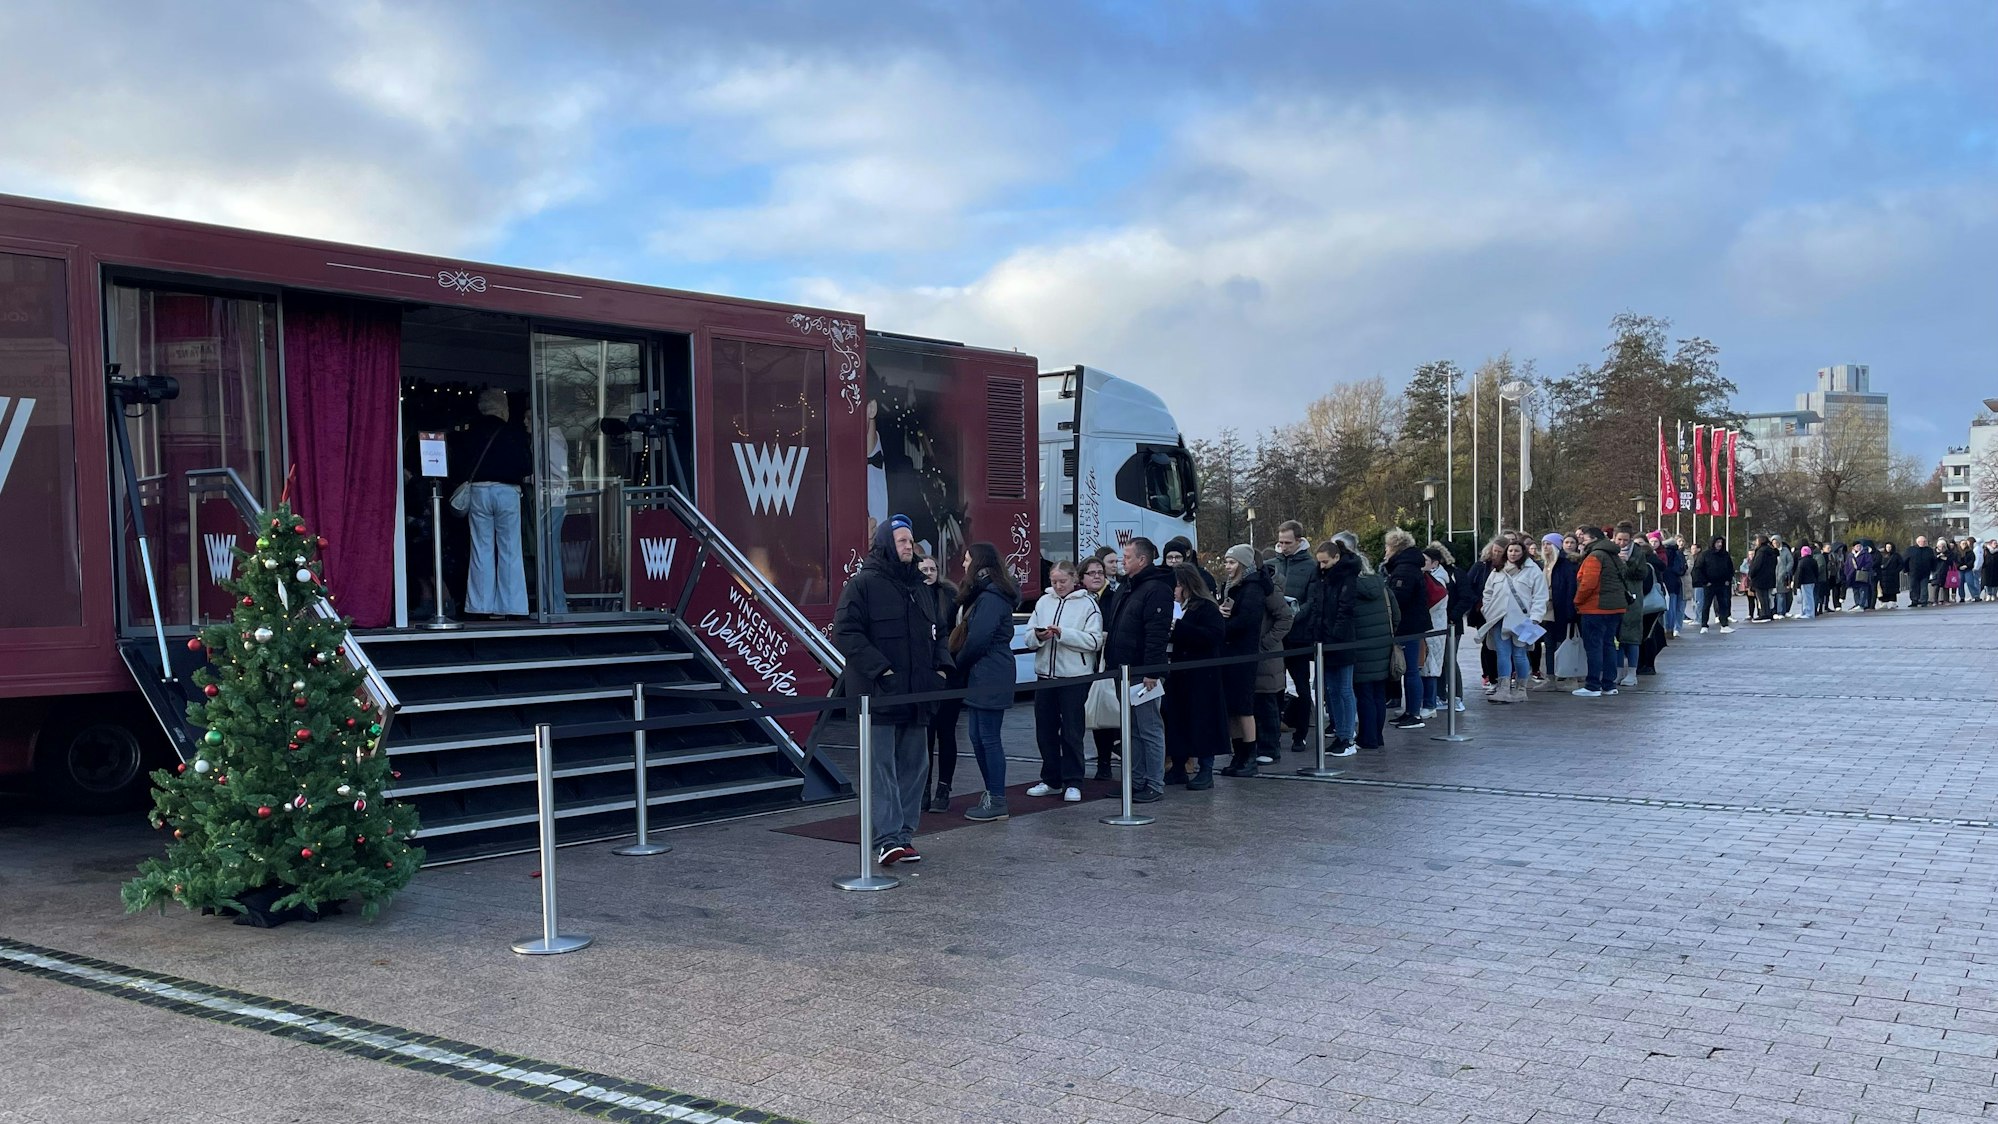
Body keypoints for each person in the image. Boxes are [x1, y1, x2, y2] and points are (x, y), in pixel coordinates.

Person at [832, 515, 950, 866]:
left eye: (910, 541)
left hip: (917, 696)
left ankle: (902, 837)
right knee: (881, 769)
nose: (908, 547)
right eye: (901, 541)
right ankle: (886, 838)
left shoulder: (921, 589)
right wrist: (881, 669)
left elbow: (939, 631)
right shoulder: (862, 585)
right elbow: (846, 632)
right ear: (885, 543)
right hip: (879, 696)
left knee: (916, 767)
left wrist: (941, 669)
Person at [951, 542, 1019, 822]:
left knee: (988, 738)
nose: (964, 565)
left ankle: (998, 799)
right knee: (978, 736)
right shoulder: (989, 593)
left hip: (990, 672)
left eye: (967, 560)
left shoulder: (991, 597)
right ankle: (992, 794)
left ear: (979, 564)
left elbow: (979, 638)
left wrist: (958, 664)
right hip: (986, 672)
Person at [1103, 537, 1174, 802]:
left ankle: (1154, 783)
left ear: (1142, 560)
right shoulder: (1129, 586)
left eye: (1127, 557)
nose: (1123, 562)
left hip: (1143, 673)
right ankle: (1135, 779)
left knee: (1149, 728)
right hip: (1122, 669)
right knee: (1130, 729)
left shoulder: (1156, 589)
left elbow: (1156, 633)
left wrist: (1152, 671)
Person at [1025, 560, 1102, 803]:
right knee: (1044, 730)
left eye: (1063, 581)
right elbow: (1028, 637)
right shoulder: (1043, 602)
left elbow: (1094, 641)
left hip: (1074, 677)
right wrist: (1039, 636)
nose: (1058, 586)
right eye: (1054, 581)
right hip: (1045, 675)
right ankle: (1051, 778)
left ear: (1074, 580)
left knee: (1072, 730)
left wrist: (1063, 634)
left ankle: (1073, 780)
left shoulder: (1088, 604)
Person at [454, 388, 532, 618]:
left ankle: (480, 606)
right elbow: (526, 466)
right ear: (503, 408)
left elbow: (459, 464)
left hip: (478, 490)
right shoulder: (513, 432)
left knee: (481, 548)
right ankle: (512, 607)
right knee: (510, 549)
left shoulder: (470, 432)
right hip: (507, 491)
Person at [1291, 539, 1359, 754]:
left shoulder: (1347, 577)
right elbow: (1317, 606)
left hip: (1339, 640)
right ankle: (1341, 733)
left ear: (1336, 558)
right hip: (1323, 640)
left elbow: (1345, 609)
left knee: (1344, 689)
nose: (1321, 566)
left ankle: (1347, 737)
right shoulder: (1321, 577)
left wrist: (1335, 636)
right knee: (1331, 690)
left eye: (1325, 562)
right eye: (1319, 562)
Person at [1164, 563, 1228, 789]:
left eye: (1178, 585)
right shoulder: (1179, 606)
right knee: (1178, 721)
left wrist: (1179, 628)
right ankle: (1178, 767)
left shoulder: (1206, 607)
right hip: (1179, 673)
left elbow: (1214, 636)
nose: (1174, 589)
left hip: (1202, 676)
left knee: (1204, 722)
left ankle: (1206, 770)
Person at [1215, 544, 1269, 774]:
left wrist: (1222, 625)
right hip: (1230, 652)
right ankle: (1239, 754)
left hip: (1243, 653)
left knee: (1244, 707)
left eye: (1232, 562)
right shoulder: (1232, 587)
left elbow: (1247, 621)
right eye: (1226, 562)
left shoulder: (1253, 588)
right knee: (1233, 707)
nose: (1227, 567)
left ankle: (1249, 755)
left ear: (1243, 564)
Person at [916, 553, 961, 812]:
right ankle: (923, 789)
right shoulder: (910, 595)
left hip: (948, 675)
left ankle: (943, 789)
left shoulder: (950, 597)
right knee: (924, 737)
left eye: (933, 568)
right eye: (924, 569)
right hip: (923, 678)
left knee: (946, 733)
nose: (929, 572)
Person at [1479, 539, 1548, 704]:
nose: (1513, 554)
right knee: (1502, 655)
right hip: (1498, 619)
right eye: (1510, 551)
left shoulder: (1532, 571)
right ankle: (1503, 689)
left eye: (1517, 551)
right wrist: (1487, 611)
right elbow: (1487, 593)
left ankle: (1520, 689)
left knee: (1519, 654)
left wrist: (1535, 618)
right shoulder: (1497, 571)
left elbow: (1540, 596)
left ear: (1523, 552)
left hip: (1523, 620)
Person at [1268, 521, 1318, 751]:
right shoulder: (1272, 564)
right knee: (1274, 686)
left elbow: (1313, 600)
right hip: (1276, 635)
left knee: (1301, 685)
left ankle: (1301, 733)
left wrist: (1293, 616)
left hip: (1299, 634)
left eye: (1288, 542)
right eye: (1280, 542)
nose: (1284, 546)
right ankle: (1274, 731)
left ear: (1299, 540)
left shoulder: (1311, 566)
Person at [1243, 553, 1295, 772]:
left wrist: (1266, 643)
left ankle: (1270, 748)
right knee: (1253, 703)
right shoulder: (1237, 586)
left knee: (1267, 702)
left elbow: (1285, 617)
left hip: (1266, 654)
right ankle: (1253, 746)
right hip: (1248, 652)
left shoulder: (1268, 587)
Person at [1347, 540, 1395, 750]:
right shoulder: (1381, 585)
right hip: (1383, 645)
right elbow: (1396, 614)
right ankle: (1377, 735)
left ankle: (1367, 738)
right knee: (1378, 693)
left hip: (1360, 647)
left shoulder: (1350, 589)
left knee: (1364, 693)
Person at [1572, 524, 1629, 697]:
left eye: (1584, 538)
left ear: (1594, 539)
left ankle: (1593, 685)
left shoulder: (1594, 556)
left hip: (1595, 607)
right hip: (1616, 607)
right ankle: (1609, 684)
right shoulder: (1613, 555)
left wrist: (1577, 601)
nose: (1581, 541)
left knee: (1594, 646)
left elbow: (1588, 583)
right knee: (1609, 644)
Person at [1382, 528, 1429, 729]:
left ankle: (1414, 713)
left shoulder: (1404, 569)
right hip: (1411, 624)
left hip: (1408, 625)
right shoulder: (1407, 566)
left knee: (1411, 670)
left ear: (1394, 547)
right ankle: (1409, 710)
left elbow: (1399, 598)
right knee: (1409, 670)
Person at [1077, 556, 1119, 780]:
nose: (1096, 577)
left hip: (1104, 660)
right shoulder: (1077, 599)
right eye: (1091, 573)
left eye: (1100, 573)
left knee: (1103, 710)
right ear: (1082, 577)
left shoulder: (1113, 598)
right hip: (1079, 661)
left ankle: (1105, 763)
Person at [1535, 532, 1578, 687]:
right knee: (1549, 643)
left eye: (1548, 544)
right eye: (1543, 544)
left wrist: (1570, 612)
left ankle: (1565, 676)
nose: (1545, 547)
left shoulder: (1565, 564)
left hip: (1561, 609)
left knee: (1563, 643)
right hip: (1546, 610)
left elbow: (1570, 588)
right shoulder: (1544, 565)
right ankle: (1550, 677)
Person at [1419, 544, 1454, 716]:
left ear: (1435, 563)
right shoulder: (1427, 578)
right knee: (1423, 666)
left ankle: (1430, 703)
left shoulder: (1437, 581)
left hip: (1433, 628)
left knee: (1430, 666)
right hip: (1429, 628)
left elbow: (1433, 602)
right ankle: (1423, 702)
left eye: (1425, 560)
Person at [1696, 536, 1735, 633]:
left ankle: (1724, 625)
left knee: (1723, 604)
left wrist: (1728, 579)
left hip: (1722, 584)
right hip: (1709, 584)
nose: (1720, 544)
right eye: (1717, 542)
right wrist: (1705, 582)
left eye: (1721, 542)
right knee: (1706, 605)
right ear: (1713, 543)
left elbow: (1730, 568)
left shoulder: (1725, 554)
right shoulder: (1705, 555)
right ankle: (1704, 625)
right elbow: (1698, 569)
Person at [1657, 532, 1688, 637]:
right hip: (1675, 582)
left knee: (1667, 606)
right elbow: (1682, 569)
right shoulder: (1677, 552)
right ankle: (1670, 628)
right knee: (1673, 606)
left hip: (1664, 580)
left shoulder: (1661, 552)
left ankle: (1666, 628)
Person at [1746, 534, 1777, 622]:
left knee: (1761, 597)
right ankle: (1768, 613)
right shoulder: (1771, 552)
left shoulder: (1761, 551)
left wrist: (1751, 573)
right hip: (1769, 577)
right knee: (1766, 596)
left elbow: (1757, 565)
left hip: (1760, 578)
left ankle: (1764, 614)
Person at [1906, 536, 1935, 607]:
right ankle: (1914, 600)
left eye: (1925, 541)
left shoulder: (1929, 550)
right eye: (1922, 541)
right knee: (1913, 587)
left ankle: (1923, 601)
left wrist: (1933, 569)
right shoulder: (1911, 550)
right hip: (1913, 572)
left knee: (1924, 587)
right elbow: (1905, 560)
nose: (1924, 543)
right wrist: (1906, 570)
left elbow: (1933, 560)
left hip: (1925, 572)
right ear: (1918, 542)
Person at [1792, 546, 1819, 619]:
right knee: (1809, 597)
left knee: (1806, 598)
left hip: (1804, 582)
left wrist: (1797, 584)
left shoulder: (1802, 562)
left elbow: (1799, 573)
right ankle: (1806, 612)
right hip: (1812, 581)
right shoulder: (1813, 560)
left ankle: (1808, 613)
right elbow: (1816, 572)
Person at [1876, 542, 1903, 608]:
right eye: (1887, 547)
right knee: (1883, 589)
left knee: (1892, 590)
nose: (1888, 549)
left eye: (1890, 547)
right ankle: (1884, 602)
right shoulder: (1881, 555)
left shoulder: (1896, 556)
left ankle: (1892, 602)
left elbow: (1901, 564)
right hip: (1883, 576)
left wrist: (1896, 571)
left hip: (1893, 576)